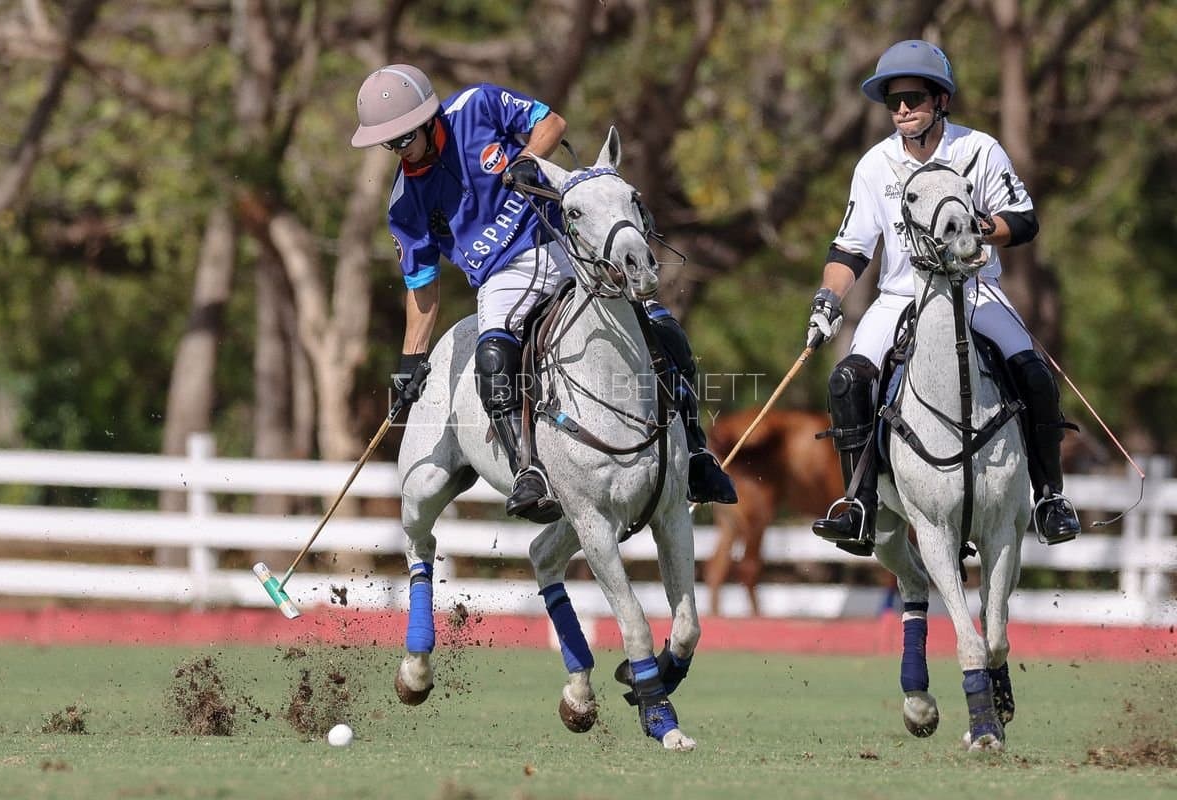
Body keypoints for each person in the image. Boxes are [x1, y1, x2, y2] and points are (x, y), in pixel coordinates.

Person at [351, 65, 735, 524]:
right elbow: (421, 287)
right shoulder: (404, 203)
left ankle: (695, 452)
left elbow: (551, 123)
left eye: (402, 138)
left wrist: (526, 160)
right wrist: (411, 362)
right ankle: (528, 471)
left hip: (557, 238)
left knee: (662, 326)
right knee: (492, 360)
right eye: (388, 143)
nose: (399, 151)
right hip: (500, 277)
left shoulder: (476, 106)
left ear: (428, 119)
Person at [805, 40, 1080, 554]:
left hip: (974, 290)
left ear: (942, 101)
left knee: (1034, 372)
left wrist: (982, 226)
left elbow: (1023, 219)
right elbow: (851, 247)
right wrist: (828, 299)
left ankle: (1049, 496)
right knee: (846, 382)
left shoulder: (980, 150)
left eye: (913, 97)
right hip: (899, 295)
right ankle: (860, 505)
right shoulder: (874, 165)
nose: (903, 109)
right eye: (894, 101)